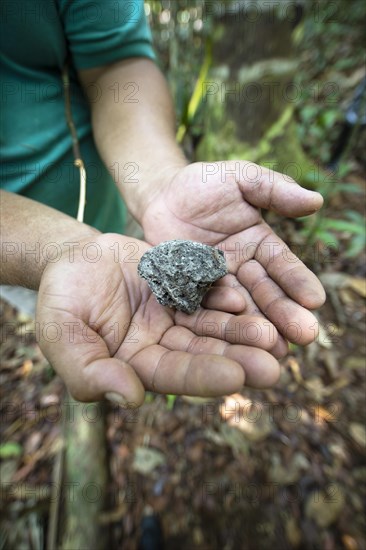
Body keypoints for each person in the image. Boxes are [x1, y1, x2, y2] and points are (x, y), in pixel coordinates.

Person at [0, 0, 325, 407]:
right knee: (79, 316)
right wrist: (56, 251)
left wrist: (158, 185)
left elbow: (115, 63)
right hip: (16, 251)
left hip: (128, 199)